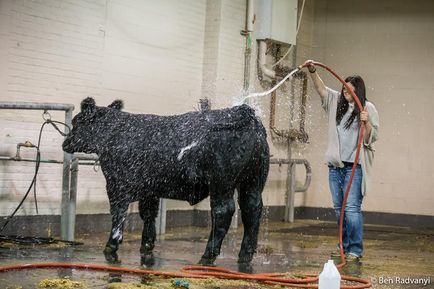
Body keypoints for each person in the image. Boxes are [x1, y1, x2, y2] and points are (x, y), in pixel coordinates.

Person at [307, 61, 379, 261]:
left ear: (358, 91)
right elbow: (320, 88)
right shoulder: (335, 102)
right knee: (339, 208)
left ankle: (355, 249)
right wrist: (313, 70)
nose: (346, 91)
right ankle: (343, 245)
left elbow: (370, 139)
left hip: (354, 167)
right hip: (335, 167)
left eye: (350, 89)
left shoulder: (368, 108)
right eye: (344, 88)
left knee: (351, 209)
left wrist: (367, 123)